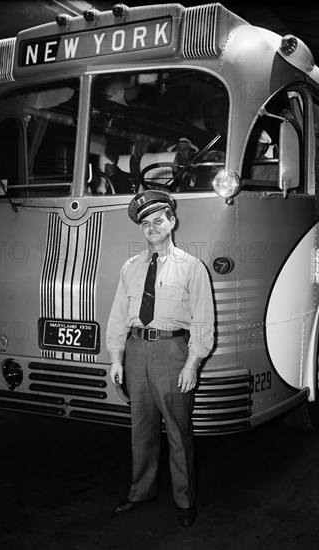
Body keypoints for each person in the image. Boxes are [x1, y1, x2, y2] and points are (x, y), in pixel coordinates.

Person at [106, 190, 215, 527]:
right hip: (137, 349)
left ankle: (184, 500)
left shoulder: (192, 267)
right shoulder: (130, 267)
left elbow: (203, 319)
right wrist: (116, 357)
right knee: (141, 428)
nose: (151, 227)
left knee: (179, 431)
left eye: (157, 220)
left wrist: (192, 363)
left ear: (172, 221)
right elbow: (118, 315)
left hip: (172, 351)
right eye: (145, 223)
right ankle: (141, 492)